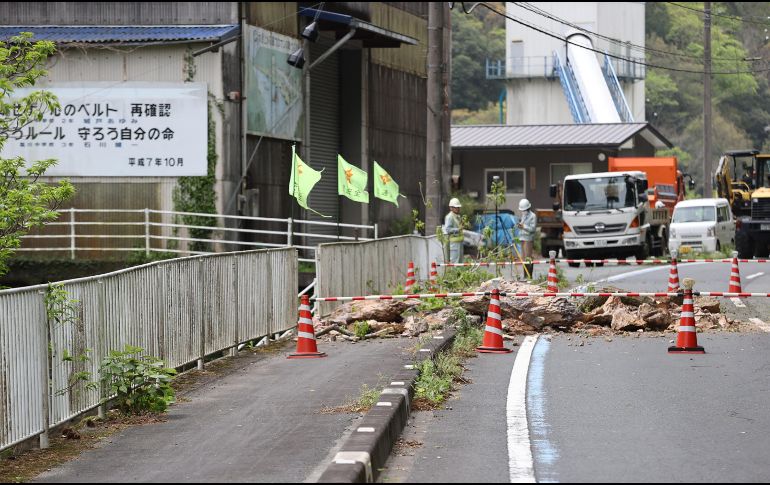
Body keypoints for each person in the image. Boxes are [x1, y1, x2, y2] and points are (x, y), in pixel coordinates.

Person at [516, 198, 537, 276]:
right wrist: (520, 225)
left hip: (528, 239)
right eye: (522, 210)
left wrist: (523, 226)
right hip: (522, 238)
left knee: (528, 257)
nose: (523, 211)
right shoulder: (523, 215)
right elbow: (522, 225)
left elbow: (532, 229)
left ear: (528, 208)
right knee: (524, 258)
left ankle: (529, 275)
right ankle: (525, 275)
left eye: (524, 209)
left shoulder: (533, 216)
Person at [444, 198, 464, 263]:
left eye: (458, 207)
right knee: (455, 262)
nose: (458, 209)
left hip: (460, 243)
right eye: (456, 207)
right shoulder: (450, 217)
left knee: (460, 262)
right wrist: (458, 229)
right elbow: (448, 229)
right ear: (451, 208)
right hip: (454, 244)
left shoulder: (458, 216)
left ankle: (459, 273)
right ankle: (454, 273)